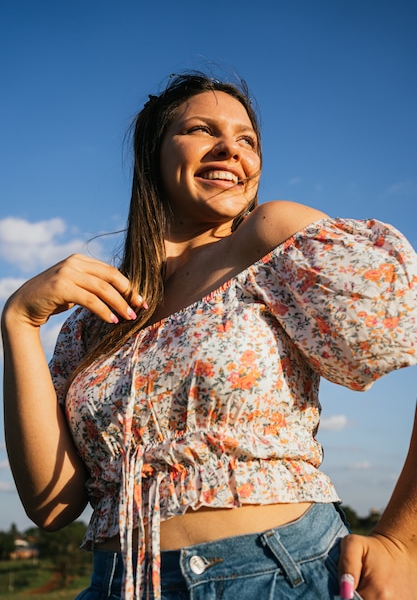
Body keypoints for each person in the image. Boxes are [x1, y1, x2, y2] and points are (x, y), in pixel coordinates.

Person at [2, 71, 417, 600]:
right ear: (153, 152)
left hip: (273, 576)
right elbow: (52, 505)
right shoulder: (93, 319)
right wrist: (19, 321)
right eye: (202, 129)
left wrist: (404, 541)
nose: (230, 149)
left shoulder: (266, 238)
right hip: (114, 586)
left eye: (247, 139)